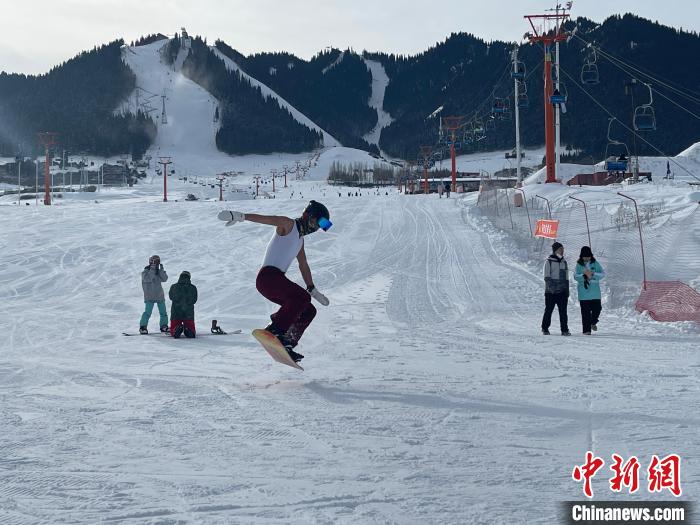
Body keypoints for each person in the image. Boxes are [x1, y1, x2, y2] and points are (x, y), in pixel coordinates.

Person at [218, 201, 331, 363]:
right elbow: (269, 219)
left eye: (322, 225)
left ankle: (287, 342)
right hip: (268, 278)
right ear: (308, 216)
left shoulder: (300, 240)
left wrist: (312, 288)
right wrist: (241, 216)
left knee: (309, 310)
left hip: (277, 280)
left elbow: (303, 264)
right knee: (301, 298)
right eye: (318, 222)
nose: (317, 228)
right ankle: (275, 329)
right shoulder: (288, 225)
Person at [542, 242, 571, 336]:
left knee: (563, 312)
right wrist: (552, 288)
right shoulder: (549, 261)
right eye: (560, 249)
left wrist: (567, 290)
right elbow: (546, 277)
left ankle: (564, 330)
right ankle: (545, 328)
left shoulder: (564, 262)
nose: (562, 251)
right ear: (555, 251)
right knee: (549, 310)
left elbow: (566, 277)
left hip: (562, 292)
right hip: (551, 292)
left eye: (563, 249)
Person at [574, 246, 605, 335]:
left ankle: (592, 322)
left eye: (588, 256)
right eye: (584, 256)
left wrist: (593, 274)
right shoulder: (579, 265)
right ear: (581, 256)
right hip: (583, 294)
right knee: (585, 313)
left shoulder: (595, 263)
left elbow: (602, 274)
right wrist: (583, 276)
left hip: (595, 293)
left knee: (597, 309)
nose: (586, 258)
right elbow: (575, 276)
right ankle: (586, 330)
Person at [139, 255, 168, 334]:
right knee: (147, 313)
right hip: (150, 296)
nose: (157, 263)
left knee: (163, 313)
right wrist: (152, 268)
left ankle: (164, 326)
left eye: (158, 261)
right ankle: (143, 327)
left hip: (159, 295)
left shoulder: (158, 271)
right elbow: (148, 279)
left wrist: (161, 270)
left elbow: (165, 279)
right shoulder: (145, 272)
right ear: (151, 262)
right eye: (155, 261)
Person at [168, 271, 198, 338]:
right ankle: (189, 330)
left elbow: (171, 296)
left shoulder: (174, 286)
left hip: (176, 311)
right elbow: (194, 299)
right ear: (189, 278)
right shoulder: (193, 287)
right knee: (190, 325)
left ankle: (176, 329)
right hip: (188, 312)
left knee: (174, 325)